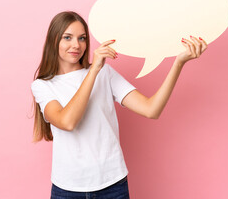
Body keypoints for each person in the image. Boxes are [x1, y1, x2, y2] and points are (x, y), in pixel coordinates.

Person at [31, 11, 208, 199]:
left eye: (82, 38)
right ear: (54, 40)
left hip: (113, 185)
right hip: (67, 189)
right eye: (68, 37)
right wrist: (93, 71)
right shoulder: (43, 85)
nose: (76, 45)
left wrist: (179, 63)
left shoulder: (105, 72)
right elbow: (67, 122)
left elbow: (151, 109)